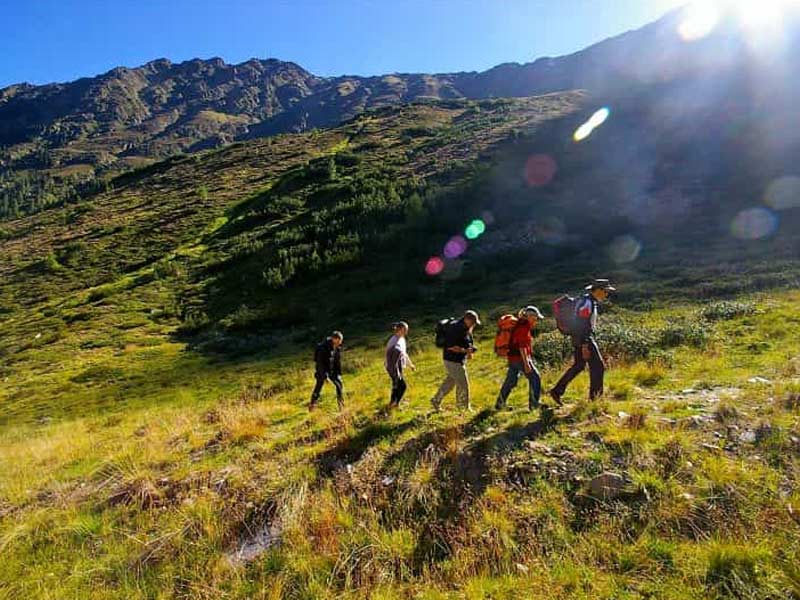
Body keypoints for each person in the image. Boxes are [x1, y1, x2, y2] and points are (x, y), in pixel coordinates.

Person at [550, 279, 615, 403]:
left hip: (577, 338)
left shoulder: (585, 300)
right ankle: (595, 399)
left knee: (579, 366)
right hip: (584, 338)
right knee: (598, 367)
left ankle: (557, 391)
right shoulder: (587, 303)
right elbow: (581, 323)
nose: (607, 294)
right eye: (606, 291)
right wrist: (585, 345)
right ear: (598, 290)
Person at [495, 306, 544, 412]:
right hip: (519, 358)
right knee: (535, 378)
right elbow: (522, 346)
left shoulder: (520, 324)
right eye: (535, 317)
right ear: (529, 316)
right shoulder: (523, 327)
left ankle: (500, 404)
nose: (536, 320)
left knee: (511, 381)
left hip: (512, 358)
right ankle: (534, 404)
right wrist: (526, 363)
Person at [431, 310, 481, 412]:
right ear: (467, 319)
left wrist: (469, 351)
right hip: (452, 360)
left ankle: (436, 400)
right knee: (463, 385)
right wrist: (466, 350)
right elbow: (451, 347)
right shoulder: (455, 328)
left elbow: (466, 341)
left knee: (450, 383)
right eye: (473, 322)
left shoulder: (465, 328)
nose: (473, 324)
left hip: (457, 360)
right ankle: (463, 408)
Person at [310, 331, 344, 410]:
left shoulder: (337, 347)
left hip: (332, 371)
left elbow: (337, 361)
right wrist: (325, 376)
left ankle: (341, 406)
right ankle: (312, 405)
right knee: (318, 387)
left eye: (340, 340)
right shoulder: (323, 348)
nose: (340, 342)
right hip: (322, 371)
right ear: (334, 339)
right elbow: (320, 364)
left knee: (339, 385)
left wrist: (339, 373)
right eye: (339, 340)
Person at [385, 321, 416, 410]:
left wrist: (410, 365)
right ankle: (395, 404)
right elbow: (389, 358)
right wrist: (394, 372)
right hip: (393, 367)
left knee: (396, 385)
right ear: (400, 329)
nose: (407, 331)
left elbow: (404, 353)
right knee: (402, 386)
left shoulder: (401, 339)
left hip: (398, 366)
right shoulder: (393, 341)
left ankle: (392, 403)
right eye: (405, 329)